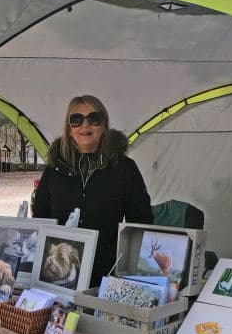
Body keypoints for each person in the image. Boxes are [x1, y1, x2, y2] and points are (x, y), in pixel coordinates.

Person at [33, 95, 153, 287]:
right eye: (76, 120)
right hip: (57, 279)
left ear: (104, 125)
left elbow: (141, 222)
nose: (85, 125)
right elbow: (40, 217)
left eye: (93, 119)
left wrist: (127, 273)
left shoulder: (124, 168)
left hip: (106, 276)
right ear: (69, 128)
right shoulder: (53, 169)